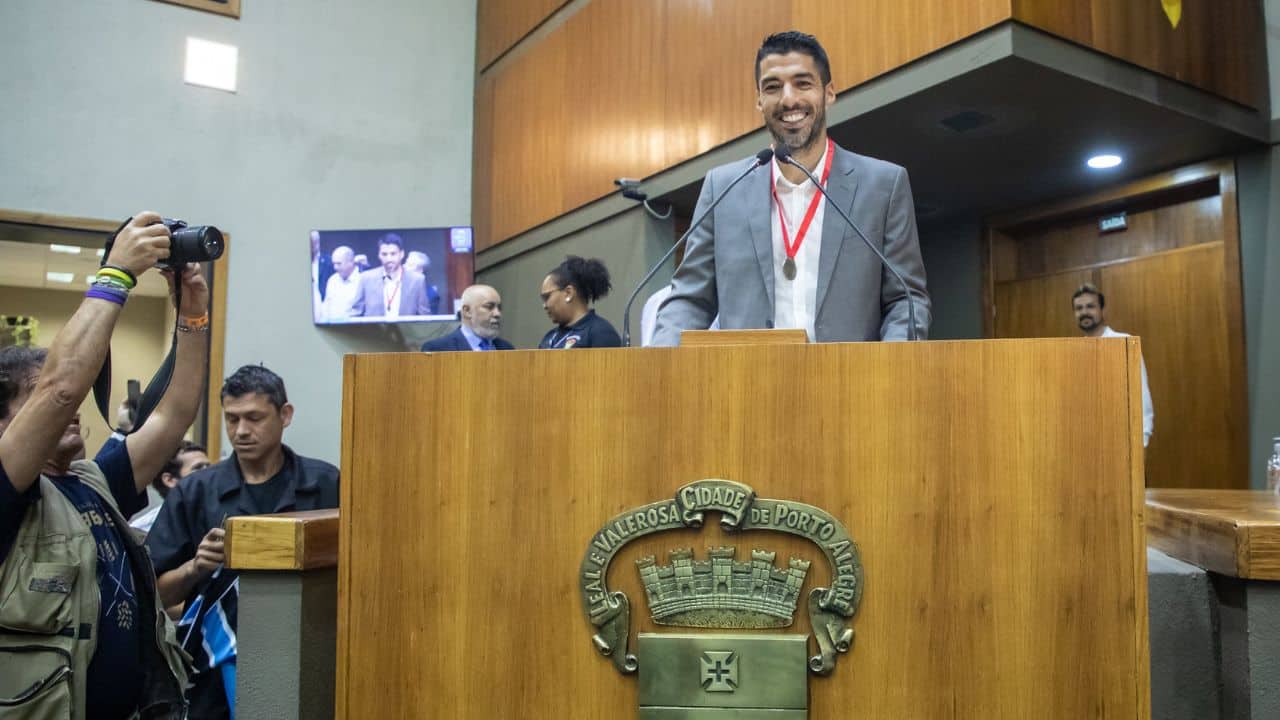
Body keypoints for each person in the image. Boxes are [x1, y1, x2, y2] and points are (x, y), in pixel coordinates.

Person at [0, 212, 210, 719]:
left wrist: (194, 313)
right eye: (34, 402)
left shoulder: (91, 482)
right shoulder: (7, 487)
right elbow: (63, 386)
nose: (69, 409)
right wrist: (116, 274)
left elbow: (175, 412)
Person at [651, 31, 931, 345]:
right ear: (759, 99)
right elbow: (690, 299)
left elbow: (905, 301)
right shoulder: (723, 188)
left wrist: (886, 373)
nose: (788, 99)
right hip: (747, 387)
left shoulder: (883, 185)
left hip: (851, 387)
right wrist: (662, 363)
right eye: (772, 87)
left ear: (829, 93)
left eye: (803, 83)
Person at [147, 365, 340, 719]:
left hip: (309, 657)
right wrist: (194, 568)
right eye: (232, 419)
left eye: (254, 418)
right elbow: (154, 596)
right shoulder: (196, 492)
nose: (241, 431)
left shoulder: (327, 484)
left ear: (285, 415)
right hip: (213, 672)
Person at [1072, 283, 1154, 447]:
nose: (1084, 312)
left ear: (1103, 310)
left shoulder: (1124, 343)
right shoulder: (1074, 352)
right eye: (1079, 308)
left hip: (1123, 443)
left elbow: (1142, 396)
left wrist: (1142, 444)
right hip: (1087, 445)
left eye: (1090, 306)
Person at [537, 256, 622, 349]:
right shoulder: (550, 338)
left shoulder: (600, 332)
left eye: (547, 297)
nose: (544, 305)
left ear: (568, 293)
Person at [130, 441, 211, 532]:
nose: (210, 473)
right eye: (198, 468)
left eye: (209, 466)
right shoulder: (144, 530)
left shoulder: (219, 515)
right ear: (170, 480)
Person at [351, 233, 431, 318]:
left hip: (406, 330)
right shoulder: (366, 278)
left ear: (402, 254)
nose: (389, 259)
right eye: (384, 254)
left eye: (393, 254)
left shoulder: (417, 280)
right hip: (374, 330)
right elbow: (356, 313)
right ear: (379, 255)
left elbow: (424, 316)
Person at [421, 284, 514, 352]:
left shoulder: (507, 349)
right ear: (467, 311)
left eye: (499, 308)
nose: (497, 314)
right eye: (489, 307)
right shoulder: (438, 349)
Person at [321, 245, 362, 321]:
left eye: (339, 264)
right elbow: (326, 306)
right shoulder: (332, 280)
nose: (335, 268)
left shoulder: (362, 280)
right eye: (334, 264)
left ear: (351, 262)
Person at [403, 250, 442, 315]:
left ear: (420, 270)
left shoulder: (431, 295)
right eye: (405, 263)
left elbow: (428, 322)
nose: (404, 266)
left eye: (410, 265)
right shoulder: (396, 286)